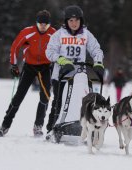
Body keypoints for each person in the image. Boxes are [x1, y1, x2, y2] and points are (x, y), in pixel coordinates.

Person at [0, 10, 56, 137]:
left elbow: (60, 49)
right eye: (40, 24)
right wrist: (13, 64)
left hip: (45, 67)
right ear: (36, 23)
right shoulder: (27, 32)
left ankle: (38, 126)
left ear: (49, 24)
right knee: (18, 96)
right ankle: (5, 125)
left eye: (46, 24)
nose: (43, 27)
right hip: (29, 67)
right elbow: (14, 47)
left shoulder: (54, 34)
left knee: (45, 97)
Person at [45, 5, 104, 133]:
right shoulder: (58, 34)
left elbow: (96, 49)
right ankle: (52, 127)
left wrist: (98, 62)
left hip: (79, 75)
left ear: (81, 20)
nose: (74, 23)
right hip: (61, 74)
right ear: (66, 21)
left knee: (80, 102)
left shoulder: (86, 34)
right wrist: (62, 60)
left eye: (76, 20)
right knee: (58, 102)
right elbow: (50, 52)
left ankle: (82, 126)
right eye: (71, 20)